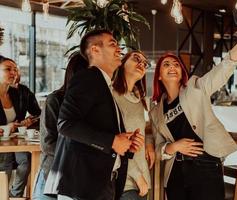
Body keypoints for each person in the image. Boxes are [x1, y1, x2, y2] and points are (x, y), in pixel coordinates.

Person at [149, 13, 237, 200]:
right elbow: (158, 149)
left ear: (182, 72)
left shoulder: (196, 87)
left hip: (205, 164)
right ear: (159, 75)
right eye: (166, 64)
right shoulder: (155, 112)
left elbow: (223, 69)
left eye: (176, 64)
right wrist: (174, 147)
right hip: (175, 173)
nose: (172, 66)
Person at [44, 30, 144, 200]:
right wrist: (112, 141)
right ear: (95, 50)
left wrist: (125, 144)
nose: (119, 49)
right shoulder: (88, 78)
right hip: (83, 187)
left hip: (100, 185)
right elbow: (66, 124)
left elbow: (97, 132)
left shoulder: (104, 85)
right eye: (113, 44)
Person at [32, 52, 89, 200]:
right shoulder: (55, 100)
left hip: (80, 178)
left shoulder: (94, 105)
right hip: (53, 174)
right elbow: (47, 143)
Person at [112, 51, 155, 200]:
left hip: (141, 178)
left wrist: (149, 144)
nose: (141, 64)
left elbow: (145, 130)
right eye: (136, 59)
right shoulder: (112, 96)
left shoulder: (140, 101)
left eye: (145, 63)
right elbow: (113, 142)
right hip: (124, 180)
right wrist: (137, 176)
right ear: (122, 63)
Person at [0, 55, 41, 197]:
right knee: (5, 161)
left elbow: (38, 114)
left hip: (16, 140)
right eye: (8, 69)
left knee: (25, 162)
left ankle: (14, 195)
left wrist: (28, 122)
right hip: (2, 143)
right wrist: (7, 127)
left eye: (15, 69)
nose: (14, 73)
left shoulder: (20, 92)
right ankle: (3, 195)